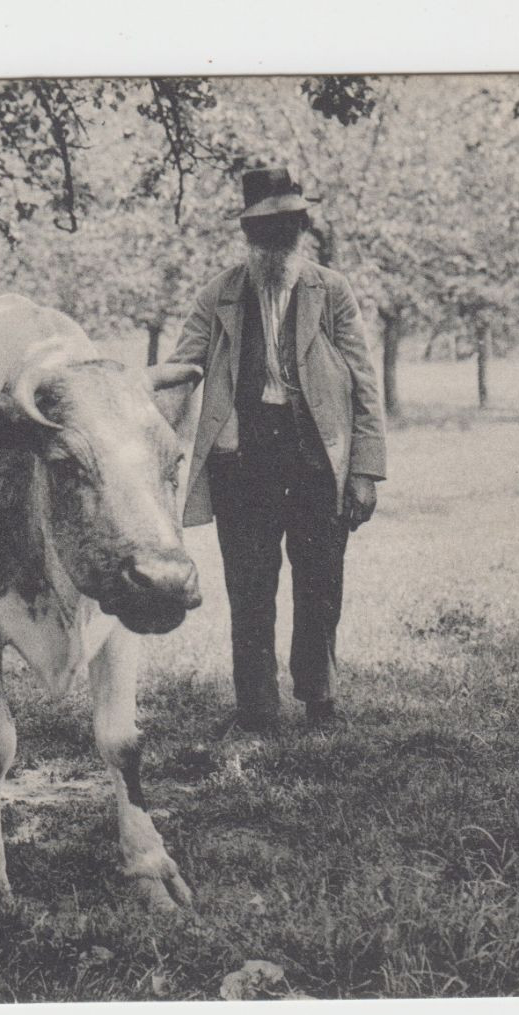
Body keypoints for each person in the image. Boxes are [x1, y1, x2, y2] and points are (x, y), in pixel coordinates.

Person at [162, 167, 387, 733]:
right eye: (267, 228)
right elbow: (182, 369)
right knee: (249, 586)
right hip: (243, 461)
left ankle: (320, 698)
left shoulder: (330, 291)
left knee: (320, 582)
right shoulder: (220, 294)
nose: (279, 237)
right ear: (248, 232)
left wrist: (364, 469)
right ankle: (257, 707)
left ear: (302, 228)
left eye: (289, 225)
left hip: (316, 457)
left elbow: (364, 381)